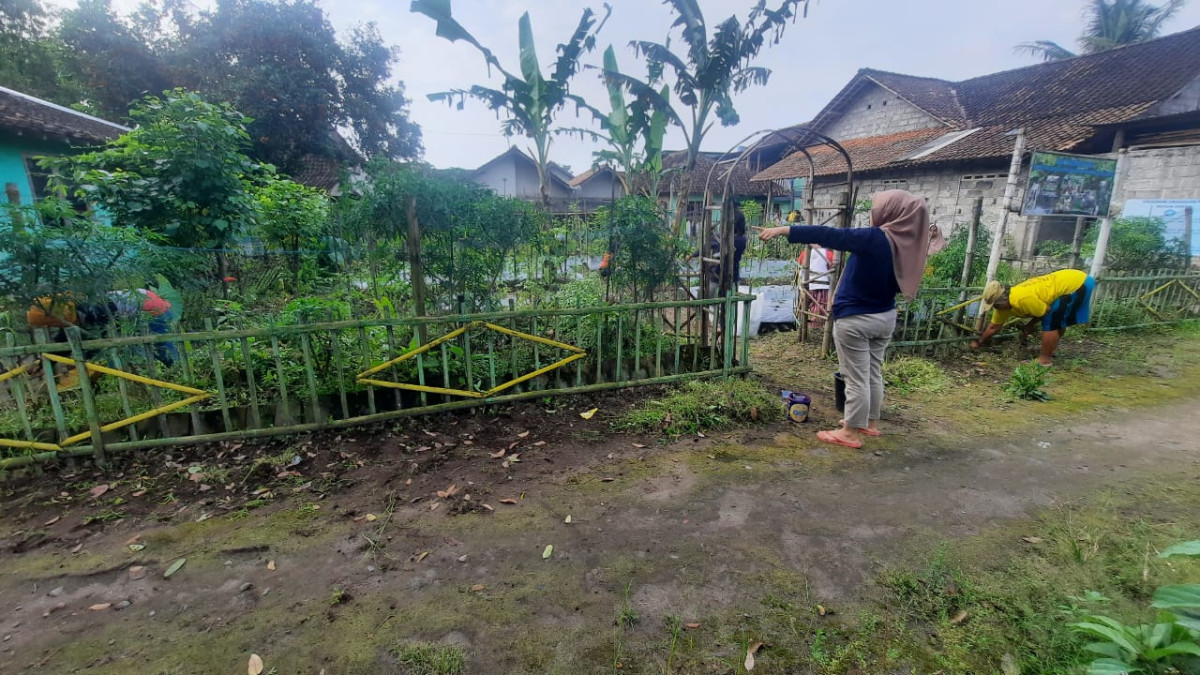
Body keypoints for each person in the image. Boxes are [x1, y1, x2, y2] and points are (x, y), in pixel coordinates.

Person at [755, 190, 936, 449]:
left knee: (855, 377)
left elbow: (830, 235)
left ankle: (850, 432)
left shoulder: (877, 238)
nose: (876, 211)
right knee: (873, 372)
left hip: (857, 318)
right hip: (884, 315)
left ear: (893, 211)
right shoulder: (908, 243)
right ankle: (869, 423)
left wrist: (784, 230)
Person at [971, 269, 1095, 366]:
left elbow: (1046, 311)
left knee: (1051, 320)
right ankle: (1050, 351)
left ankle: (1044, 359)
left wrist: (1030, 325)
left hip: (1076, 284)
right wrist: (979, 342)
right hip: (1072, 282)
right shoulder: (1003, 307)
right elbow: (993, 327)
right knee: (1057, 318)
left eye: (995, 305)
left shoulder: (1021, 299)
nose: (995, 308)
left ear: (1002, 299)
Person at [799, 245, 834, 325]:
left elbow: (801, 265)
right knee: (821, 308)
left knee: (807, 306)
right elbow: (832, 270)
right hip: (823, 286)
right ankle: (818, 326)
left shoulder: (804, 254)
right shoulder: (829, 254)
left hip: (807, 286)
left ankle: (806, 325)